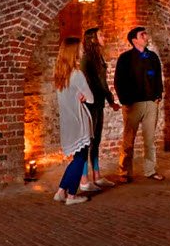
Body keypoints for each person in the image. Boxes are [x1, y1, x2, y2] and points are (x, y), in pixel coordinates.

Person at [113, 26, 164, 183]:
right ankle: (124, 172)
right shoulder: (125, 58)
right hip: (133, 105)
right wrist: (125, 101)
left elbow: (158, 78)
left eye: (145, 34)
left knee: (150, 140)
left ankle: (150, 170)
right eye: (142, 35)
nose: (146, 36)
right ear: (134, 40)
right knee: (129, 140)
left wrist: (158, 96)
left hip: (151, 104)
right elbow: (118, 81)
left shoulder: (152, 57)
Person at [52, 37, 94, 206]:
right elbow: (91, 98)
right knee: (80, 158)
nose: (83, 51)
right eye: (81, 48)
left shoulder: (60, 74)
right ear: (74, 51)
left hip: (68, 121)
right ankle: (71, 196)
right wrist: (84, 96)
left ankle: (61, 191)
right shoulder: (77, 74)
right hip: (78, 121)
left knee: (77, 157)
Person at [79, 28, 121, 192]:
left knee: (95, 140)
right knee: (87, 141)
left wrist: (109, 101)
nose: (105, 37)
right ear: (92, 39)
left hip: (98, 103)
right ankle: (84, 179)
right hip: (90, 104)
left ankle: (97, 176)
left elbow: (102, 82)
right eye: (101, 35)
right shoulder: (87, 59)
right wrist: (110, 100)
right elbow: (89, 83)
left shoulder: (98, 57)